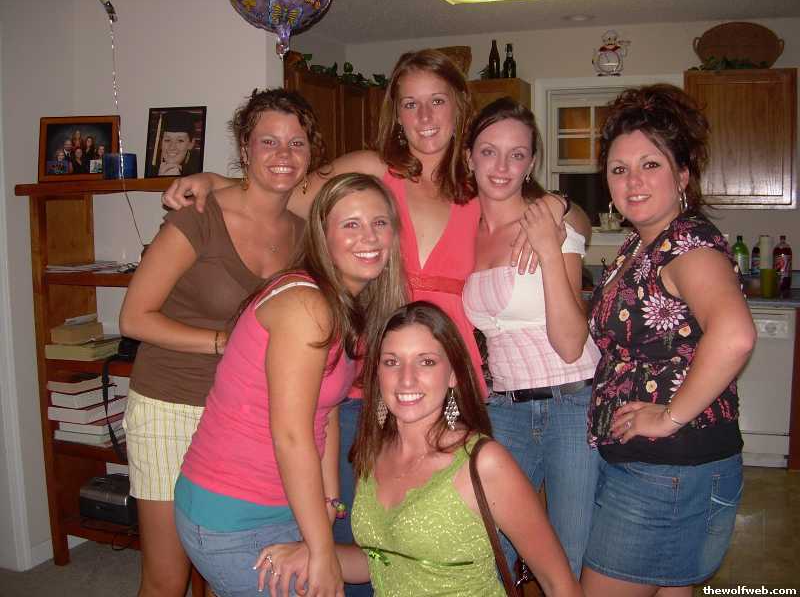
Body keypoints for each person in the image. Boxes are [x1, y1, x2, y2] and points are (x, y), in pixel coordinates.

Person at [161, 50, 538, 596]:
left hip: (449, 386)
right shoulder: (371, 170)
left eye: (437, 101)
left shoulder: (482, 185)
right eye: (410, 104)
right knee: (356, 535)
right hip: (367, 388)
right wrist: (214, 181)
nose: (425, 117)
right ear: (395, 114)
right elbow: (286, 190)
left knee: (450, 537)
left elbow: (548, 210)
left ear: (459, 107)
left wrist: (559, 210)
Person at [118, 88, 324, 597]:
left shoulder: (306, 234)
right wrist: (226, 342)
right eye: (268, 141)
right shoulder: (200, 216)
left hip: (244, 416)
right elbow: (134, 318)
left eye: (296, 143)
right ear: (245, 148)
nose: (283, 154)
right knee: (167, 578)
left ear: (310, 154)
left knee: (225, 571)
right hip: (172, 404)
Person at [174, 173, 407, 597]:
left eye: (379, 222)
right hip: (233, 511)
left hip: (282, 500)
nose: (369, 237)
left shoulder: (347, 305)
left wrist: (329, 500)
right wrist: (322, 552)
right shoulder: (307, 305)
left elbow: (326, 410)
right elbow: (291, 435)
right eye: (350, 224)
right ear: (322, 236)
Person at [254, 302, 581, 597]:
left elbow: (559, 584)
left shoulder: (482, 463)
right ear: (377, 374)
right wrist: (315, 553)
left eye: (426, 362)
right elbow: (381, 562)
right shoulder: (373, 453)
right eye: (392, 362)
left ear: (452, 375)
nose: (406, 379)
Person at [581, 84, 756, 595]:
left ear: (682, 175)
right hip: (666, 468)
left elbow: (735, 335)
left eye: (650, 164)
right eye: (619, 169)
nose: (633, 181)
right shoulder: (643, 244)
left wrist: (669, 416)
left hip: (668, 471)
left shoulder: (687, 245)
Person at [462, 97, 600, 578]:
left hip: (572, 404)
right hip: (504, 407)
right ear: (469, 157)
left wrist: (548, 247)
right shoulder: (464, 229)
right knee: (488, 549)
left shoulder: (551, 225)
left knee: (566, 556)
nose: (502, 167)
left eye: (516, 154)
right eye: (489, 151)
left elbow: (571, 343)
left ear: (531, 163)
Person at [151, 110, 202, 177]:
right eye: (167, 140)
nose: (172, 147)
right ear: (161, 142)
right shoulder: (150, 168)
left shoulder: (198, 172)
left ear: (191, 144)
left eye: (180, 140)